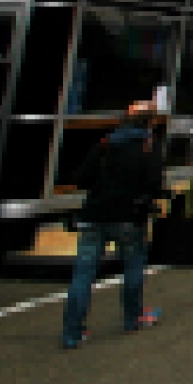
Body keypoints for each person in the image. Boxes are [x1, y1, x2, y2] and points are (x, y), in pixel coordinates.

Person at [61, 99, 166, 350]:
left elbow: (81, 178)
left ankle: (73, 332)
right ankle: (133, 317)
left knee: (83, 273)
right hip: (129, 216)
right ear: (149, 122)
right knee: (132, 265)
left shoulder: (106, 143)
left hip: (94, 215)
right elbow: (153, 184)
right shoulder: (147, 146)